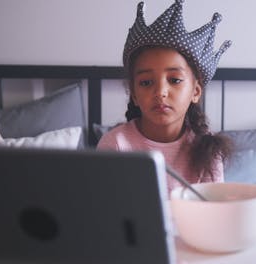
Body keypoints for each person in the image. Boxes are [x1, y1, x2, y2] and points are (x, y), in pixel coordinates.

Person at [97, 0, 232, 192]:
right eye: (145, 82)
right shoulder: (115, 145)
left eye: (175, 80)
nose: (160, 92)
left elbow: (213, 216)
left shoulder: (208, 152)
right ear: (133, 94)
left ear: (195, 92)